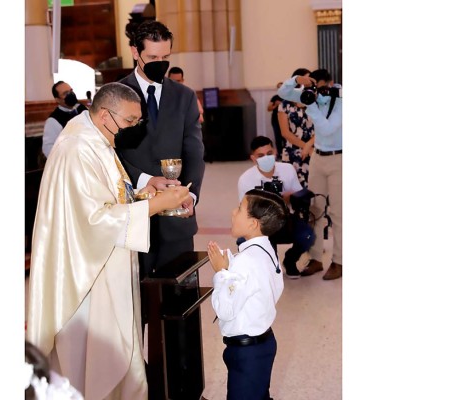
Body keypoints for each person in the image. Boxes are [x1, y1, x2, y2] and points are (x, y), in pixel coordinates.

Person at [26, 82, 190, 400]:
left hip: (104, 258)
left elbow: (109, 196)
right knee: (91, 358)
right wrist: (158, 205)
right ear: (105, 115)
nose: (134, 127)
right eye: (130, 121)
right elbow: (95, 221)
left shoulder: (97, 136)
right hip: (87, 270)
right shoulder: (78, 148)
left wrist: (144, 193)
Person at [119, 20, 206, 279]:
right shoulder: (116, 94)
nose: (161, 63)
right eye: (153, 57)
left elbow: (194, 152)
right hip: (134, 217)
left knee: (182, 299)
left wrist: (190, 195)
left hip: (177, 219)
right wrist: (146, 180)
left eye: (166, 57)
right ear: (135, 52)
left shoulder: (184, 96)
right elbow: (110, 154)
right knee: (136, 306)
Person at [208, 188, 288, 400]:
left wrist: (222, 272)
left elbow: (225, 310)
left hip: (247, 352)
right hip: (263, 343)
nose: (233, 212)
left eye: (240, 208)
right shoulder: (267, 251)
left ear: (254, 224)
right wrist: (232, 267)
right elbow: (271, 287)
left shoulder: (246, 261)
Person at [278, 68, 342, 280]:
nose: (320, 93)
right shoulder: (313, 94)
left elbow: (326, 129)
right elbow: (283, 94)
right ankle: (315, 258)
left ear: (331, 84)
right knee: (315, 209)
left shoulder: (341, 100)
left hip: (339, 159)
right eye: (317, 88)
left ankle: (339, 261)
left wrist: (311, 104)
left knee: (338, 213)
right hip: (318, 158)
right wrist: (296, 80)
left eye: (324, 88)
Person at [237, 135, 312, 279]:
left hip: (285, 219)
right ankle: (269, 264)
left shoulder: (287, 169)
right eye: (260, 155)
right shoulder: (245, 179)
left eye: (269, 153)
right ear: (253, 158)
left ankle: (290, 260)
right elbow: (244, 213)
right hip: (260, 224)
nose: (266, 158)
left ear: (275, 152)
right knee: (243, 241)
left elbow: (299, 198)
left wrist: (288, 198)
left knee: (307, 234)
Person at [278, 68, 315, 188]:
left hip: (314, 149)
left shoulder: (313, 101)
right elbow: (285, 132)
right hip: (293, 151)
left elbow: (321, 126)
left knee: (314, 188)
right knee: (293, 189)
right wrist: (306, 147)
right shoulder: (285, 104)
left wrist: (310, 146)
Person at [42, 81, 88, 157]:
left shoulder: (82, 109)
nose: (70, 95)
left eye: (71, 91)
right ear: (57, 99)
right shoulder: (53, 120)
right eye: (65, 93)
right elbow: (48, 148)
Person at [266, 81, 284, 157]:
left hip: (286, 120)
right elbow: (268, 108)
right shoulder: (275, 98)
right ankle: (279, 153)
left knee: (285, 137)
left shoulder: (289, 96)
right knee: (277, 136)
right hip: (275, 120)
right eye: (279, 88)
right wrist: (275, 105)